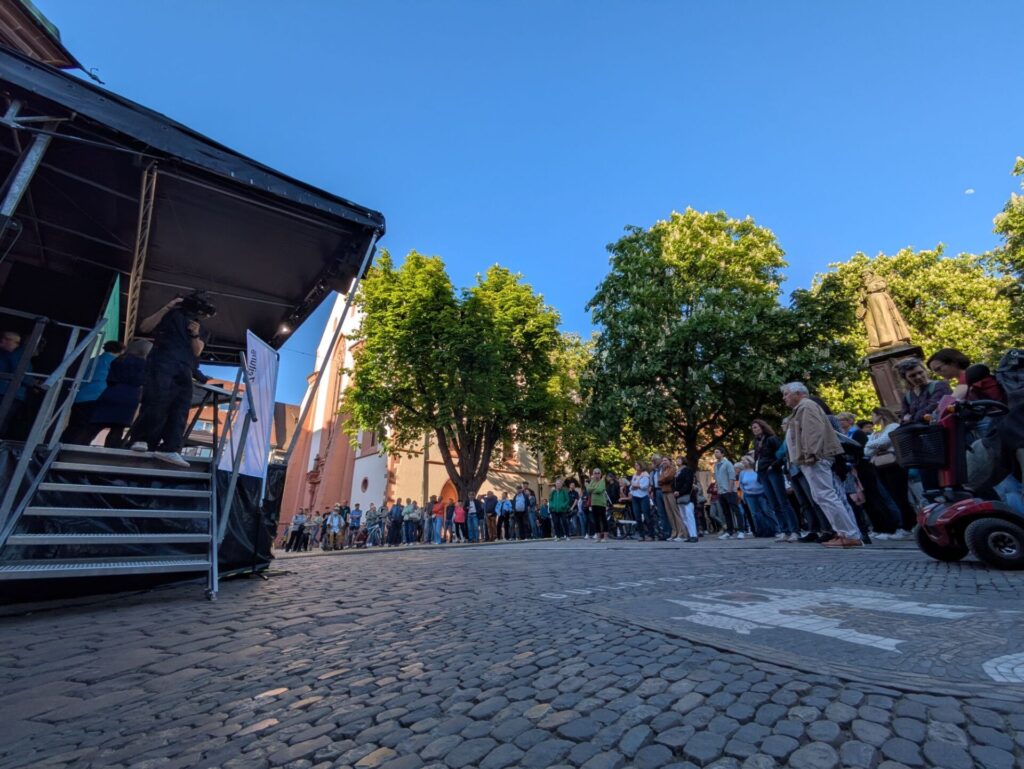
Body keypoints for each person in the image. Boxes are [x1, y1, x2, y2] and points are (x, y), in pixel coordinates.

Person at [128, 292, 213, 467]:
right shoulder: (170, 313)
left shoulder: (199, 327)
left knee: (180, 407)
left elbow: (198, 351)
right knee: (156, 399)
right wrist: (167, 306)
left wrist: (195, 334)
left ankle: (170, 448)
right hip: (162, 360)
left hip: (185, 367)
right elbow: (145, 327)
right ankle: (141, 439)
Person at [782, 381, 863, 548]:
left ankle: (849, 534)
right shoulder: (802, 408)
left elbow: (813, 433)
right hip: (810, 458)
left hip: (814, 458)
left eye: (786, 394)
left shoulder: (807, 406)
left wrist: (810, 455)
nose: (784, 398)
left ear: (798, 393)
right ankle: (843, 532)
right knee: (822, 496)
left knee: (826, 495)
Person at [80, 339, 152, 449]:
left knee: (93, 426)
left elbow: (110, 379)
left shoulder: (119, 360)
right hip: (130, 396)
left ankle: (78, 446)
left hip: (111, 392)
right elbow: (141, 381)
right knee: (117, 429)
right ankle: (110, 452)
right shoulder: (146, 365)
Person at [64, 340, 125, 443]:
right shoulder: (116, 363)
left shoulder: (92, 360)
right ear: (121, 351)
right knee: (87, 430)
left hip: (80, 396)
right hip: (99, 397)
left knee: (73, 426)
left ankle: (61, 445)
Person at [751, 419, 800, 541]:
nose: (754, 429)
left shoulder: (772, 439)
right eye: (753, 428)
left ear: (762, 427)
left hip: (773, 472)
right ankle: (784, 531)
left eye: (756, 427)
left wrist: (773, 466)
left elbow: (782, 455)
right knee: (774, 504)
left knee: (783, 501)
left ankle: (794, 531)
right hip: (762, 474)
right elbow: (757, 458)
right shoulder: (756, 442)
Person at [896, 358, 952, 424]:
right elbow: (903, 417)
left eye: (920, 372)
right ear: (906, 378)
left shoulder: (939, 386)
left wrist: (911, 418)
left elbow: (933, 408)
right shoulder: (908, 396)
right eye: (912, 376)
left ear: (925, 371)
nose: (918, 377)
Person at [0, 329, 31, 438]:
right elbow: (21, 373)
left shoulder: (13, 354)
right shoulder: (14, 355)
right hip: (6, 393)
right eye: (15, 342)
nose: (17, 345)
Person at [738, 458, 779, 537]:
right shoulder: (742, 473)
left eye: (744, 460)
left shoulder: (756, 470)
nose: (742, 462)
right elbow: (741, 484)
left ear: (749, 461)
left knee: (767, 511)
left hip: (761, 494)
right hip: (749, 495)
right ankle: (761, 531)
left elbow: (763, 481)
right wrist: (745, 492)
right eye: (742, 461)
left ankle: (776, 529)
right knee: (755, 514)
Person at [713, 449, 746, 540]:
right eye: (715, 452)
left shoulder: (727, 463)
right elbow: (716, 478)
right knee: (726, 512)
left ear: (722, 453)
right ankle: (729, 532)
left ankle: (741, 531)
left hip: (729, 491)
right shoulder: (715, 465)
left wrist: (730, 489)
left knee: (736, 511)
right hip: (721, 492)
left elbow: (732, 476)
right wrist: (718, 489)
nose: (715, 454)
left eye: (717, 452)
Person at [656, 457, 684, 541]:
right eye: (663, 460)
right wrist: (662, 479)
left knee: (675, 512)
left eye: (665, 460)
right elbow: (659, 480)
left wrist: (662, 479)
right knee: (669, 514)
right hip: (664, 492)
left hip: (671, 492)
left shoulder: (673, 469)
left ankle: (681, 533)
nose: (664, 462)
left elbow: (669, 477)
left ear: (670, 461)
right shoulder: (664, 470)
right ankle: (674, 532)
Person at [672, 456, 699, 542]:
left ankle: (694, 535)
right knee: (684, 517)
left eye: (679, 459)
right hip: (679, 497)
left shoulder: (687, 470)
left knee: (689, 515)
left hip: (688, 496)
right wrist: (675, 491)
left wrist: (680, 492)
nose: (677, 461)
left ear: (683, 461)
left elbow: (688, 483)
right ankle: (690, 535)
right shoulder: (677, 472)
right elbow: (674, 483)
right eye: (677, 459)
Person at [629, 462, 653, 541]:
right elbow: (631, 487)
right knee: (637, 517)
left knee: (647, 516)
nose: (636, 466)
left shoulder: (645, 475)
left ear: (641, 466)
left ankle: (651, 534)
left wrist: (635, 485)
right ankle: (641, 535)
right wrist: (635, 486)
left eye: (637, 465)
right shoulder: (635, 475)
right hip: (635, 497)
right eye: (635, 465)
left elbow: (644, 486)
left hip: (643, 497)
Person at [586, 468, 610, 541]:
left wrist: (592, 489)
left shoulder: (602, 481)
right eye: (595, 473)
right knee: (596, 520)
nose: (596, 474)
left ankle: (605, 537)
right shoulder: (592, 481)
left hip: (601, 503)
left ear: (600, 474)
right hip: (594, 503)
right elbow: (588, 489)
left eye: (598, 473)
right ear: (593, 474)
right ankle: (598, 537)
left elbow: (599, 490)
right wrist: (594, 488)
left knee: (603, 519)